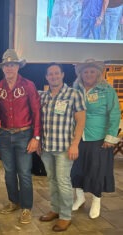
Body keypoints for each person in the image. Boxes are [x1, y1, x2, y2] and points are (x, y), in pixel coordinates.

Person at [0, 49, 41, 224]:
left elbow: (36, 112)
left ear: (18, 67)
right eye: (6, 65)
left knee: (25, 173)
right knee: (9, 172)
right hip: (4, 135)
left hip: (24, 134)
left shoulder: (28, 85)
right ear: (2, 68)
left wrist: (36, 137)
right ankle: (14, 201)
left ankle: (26, 207)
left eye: (12, 65)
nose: (9, 68)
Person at [71, 59, 121, 219]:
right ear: (81, 74)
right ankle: (79, 198)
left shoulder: (107, 90)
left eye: (92, 71)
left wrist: (110, 137)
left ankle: (96, 201)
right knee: (76, 169)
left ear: (98, 73)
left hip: (98, 137)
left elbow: (114, 114)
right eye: (85, 72)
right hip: (78, 136)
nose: (89, 74)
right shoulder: (75, 89)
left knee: (96, 170)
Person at [38, 63, 86, 232]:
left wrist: (75, 144)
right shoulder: (43, 96)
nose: (53, 76)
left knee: (63, 182)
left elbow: (81, 121)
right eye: (50, 74)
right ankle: (55, 209)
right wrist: (38, 142)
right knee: (51, 181)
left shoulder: (74, 95)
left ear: (62, 75)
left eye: (56, 73)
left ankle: (65, 216)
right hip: (46, 147)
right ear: (46, 77)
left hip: (65, 148)